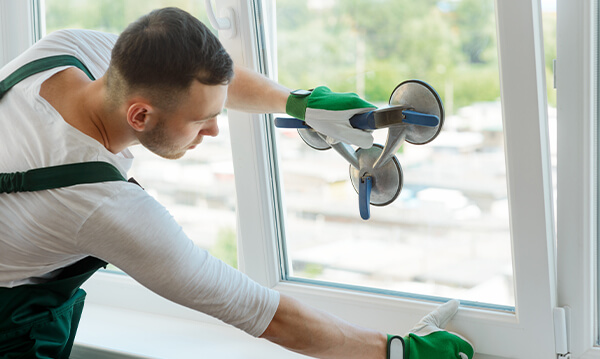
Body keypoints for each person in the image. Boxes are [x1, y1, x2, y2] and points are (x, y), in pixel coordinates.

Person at [0, 7, 473, 359]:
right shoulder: (99, 206)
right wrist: (397, 351)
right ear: (140, 115)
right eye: (201, 121)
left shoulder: (66, 52)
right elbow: (265, 313)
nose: (214, 131)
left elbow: (202, 77)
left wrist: (298, 103)